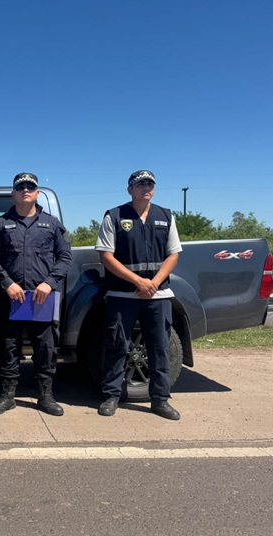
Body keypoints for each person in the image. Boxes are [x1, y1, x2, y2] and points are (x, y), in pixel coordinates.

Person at [0, 172, 72, 416]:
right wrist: (7, 283)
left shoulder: (53, 224)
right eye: (20, 187)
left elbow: (65, 257)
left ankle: (46, 395)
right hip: (11, 297)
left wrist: (49, 283)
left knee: (45, 348)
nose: (25, 190)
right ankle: (7, 395)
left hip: (42, 297)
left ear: (37, 193)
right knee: (9, 346)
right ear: (13, 193)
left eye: (30, 187)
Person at [95, 170, 182, 420]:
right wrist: (138, 281)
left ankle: (160, 400)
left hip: (158, 295)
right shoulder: (114, 216)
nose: (146, 188)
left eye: (150, 184)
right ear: (130, 189)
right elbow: (106, 256)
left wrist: (153, 283)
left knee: (160, 349)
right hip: (123, 295)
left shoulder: (165, 216)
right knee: (117, 347)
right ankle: (111, 396)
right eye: (140, 184)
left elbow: (173, 254)